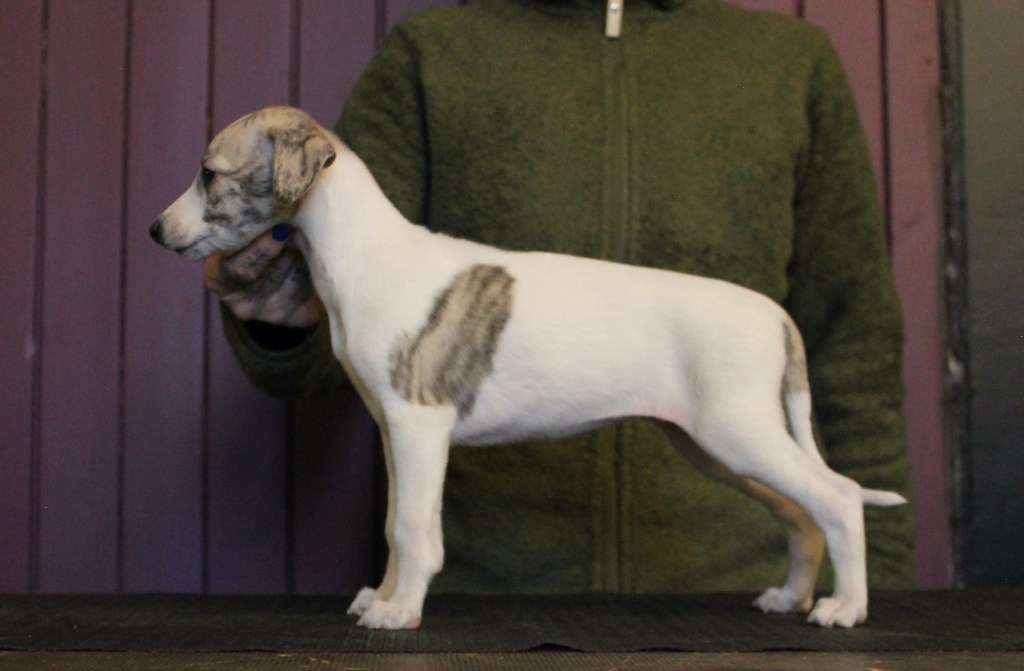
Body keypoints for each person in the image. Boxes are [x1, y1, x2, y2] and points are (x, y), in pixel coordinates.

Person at [209, 0, 915, 593]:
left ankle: (833, 529)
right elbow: (355, 319)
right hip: (488, 608)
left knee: (753, 445)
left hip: (730, 601)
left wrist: (882, 594)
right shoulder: (430, 54)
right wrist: (278, 316)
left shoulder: (794, 63)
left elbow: (857, 355)